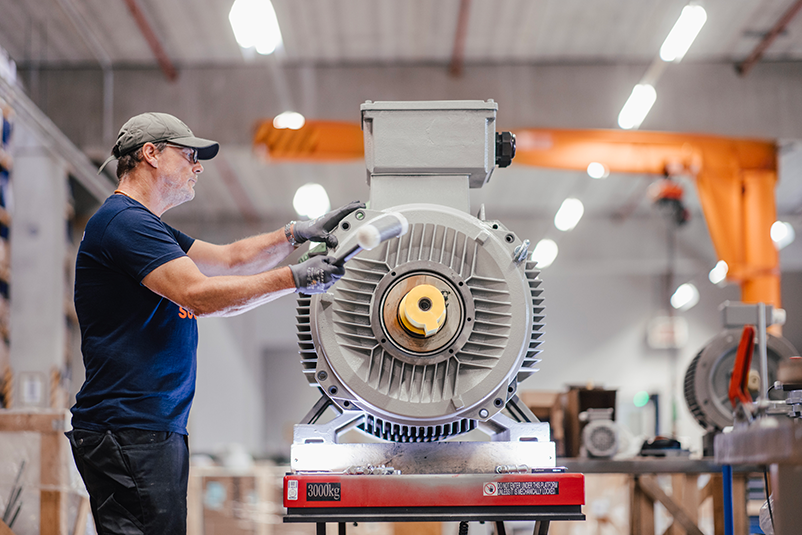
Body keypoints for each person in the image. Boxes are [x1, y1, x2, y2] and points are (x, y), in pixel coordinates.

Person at [67, 112, 362, 534]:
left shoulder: (148, 228)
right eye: (188, 155)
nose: (198, 166)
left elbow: (231, 260)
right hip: (128, 430)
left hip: (146, 428)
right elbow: (199, 296)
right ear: (150, 154)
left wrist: (295, 234)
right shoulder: (124, 224)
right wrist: (296, 278)